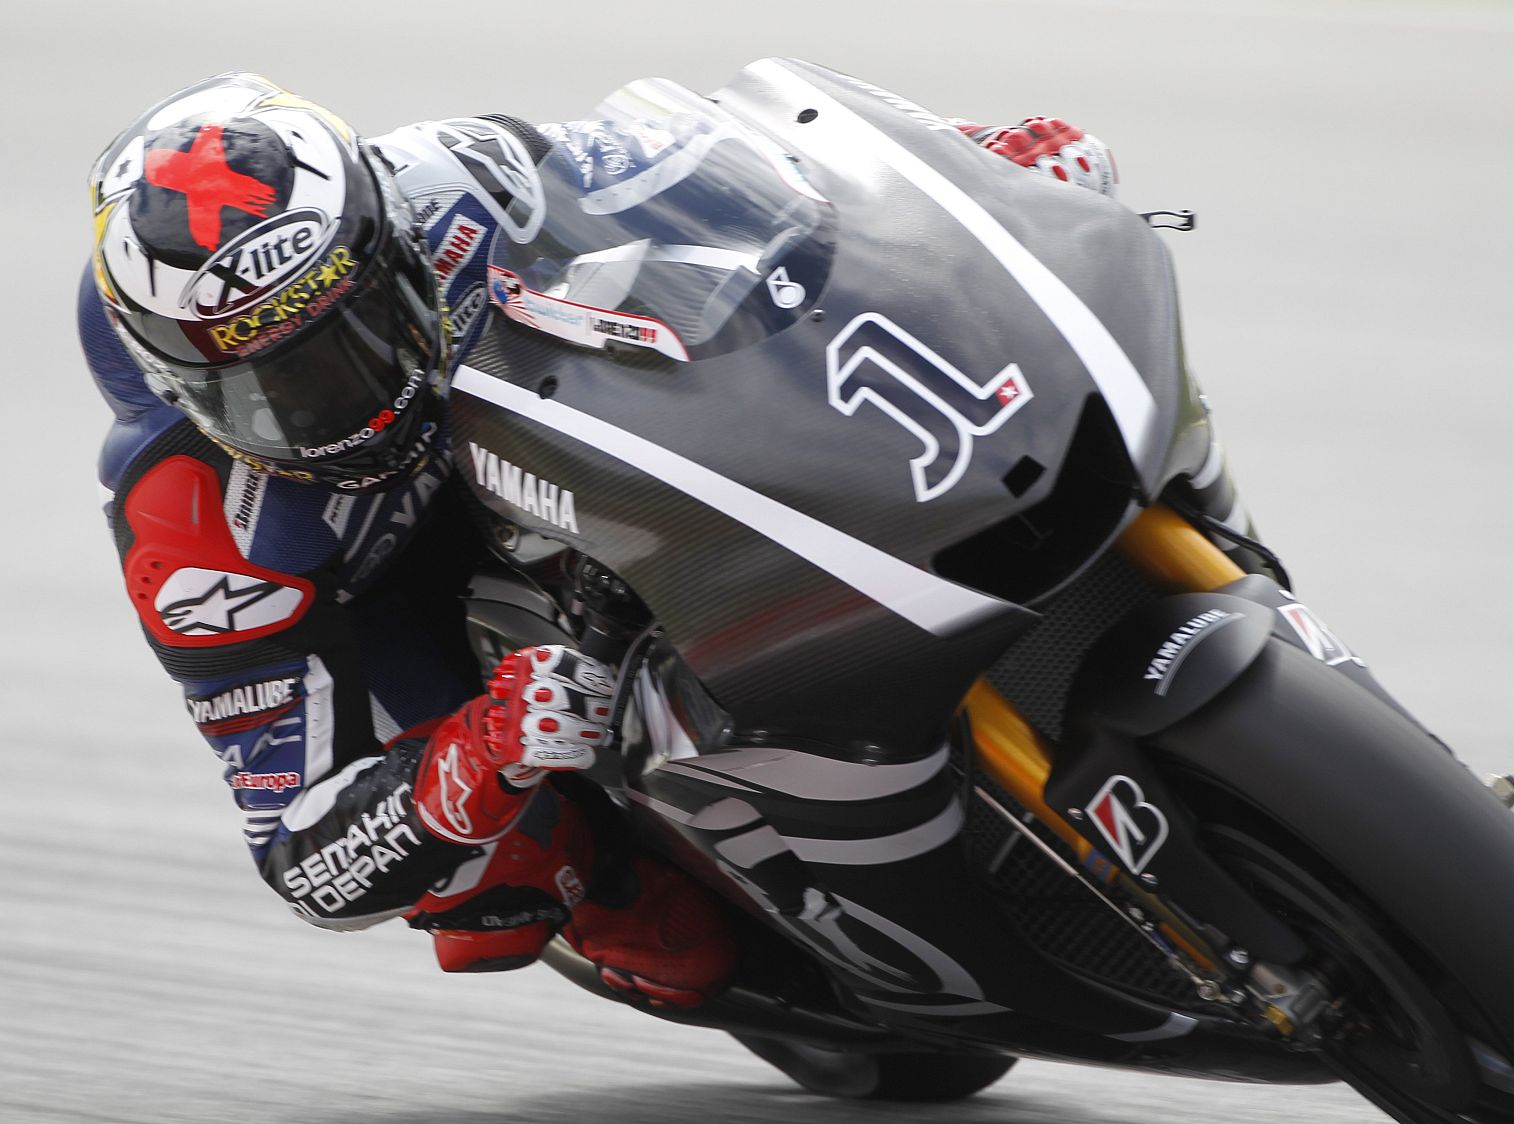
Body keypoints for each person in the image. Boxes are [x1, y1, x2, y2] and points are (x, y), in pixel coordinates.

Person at [81, 71, 1120, 1005]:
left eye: (357, 328)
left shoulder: (455, 179)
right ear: (183, 380)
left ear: (381, 242)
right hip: (392, 601)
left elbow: (756, 183)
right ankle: (644, 894)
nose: (339, 394)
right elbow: (307, 856)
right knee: (519, 897)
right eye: (273, 387)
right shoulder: (191, 525)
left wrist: (980, 170)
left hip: (552, 442)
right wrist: (485, 749)